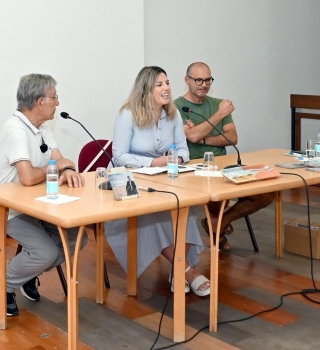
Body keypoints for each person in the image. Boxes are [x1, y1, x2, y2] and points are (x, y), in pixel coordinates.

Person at [0, 73, 87, 316]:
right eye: (55, 97)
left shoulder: (42, 128)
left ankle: (26, 273)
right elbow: (28, 177)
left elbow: (61, 159)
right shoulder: (15, 130)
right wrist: (58, 167)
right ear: (40, 101)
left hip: (37, 205)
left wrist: (69, 168)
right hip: (8, 209)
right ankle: (2, 282)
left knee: (76, 239)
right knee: (47, 252)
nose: (58, 103)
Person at [108, 66, 210, 297]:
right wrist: (154, 163)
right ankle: (188, 271)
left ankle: (178, 270)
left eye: (167, 83)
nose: (166, 88)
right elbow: (119, 156)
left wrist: (177, 158)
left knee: (185, 208)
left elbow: (183, 149)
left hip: (165, 177)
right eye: (160, 84)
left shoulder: (173, 114)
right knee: (153, 215)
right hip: (130, 182)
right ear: (146, 89)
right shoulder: (128, 114)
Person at [174, 62, 274, 251]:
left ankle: (218, 224)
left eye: (208, 80)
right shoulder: (177, 107)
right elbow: (192, 136)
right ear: (187, 80)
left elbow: (232, 138)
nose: (204, 84)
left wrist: (201, 138)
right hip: (193, 170)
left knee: (267, 192)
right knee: (217, 194)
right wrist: (219, 116)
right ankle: (216, 228)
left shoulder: (218, 103)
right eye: (198, 80)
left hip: (224, 167)